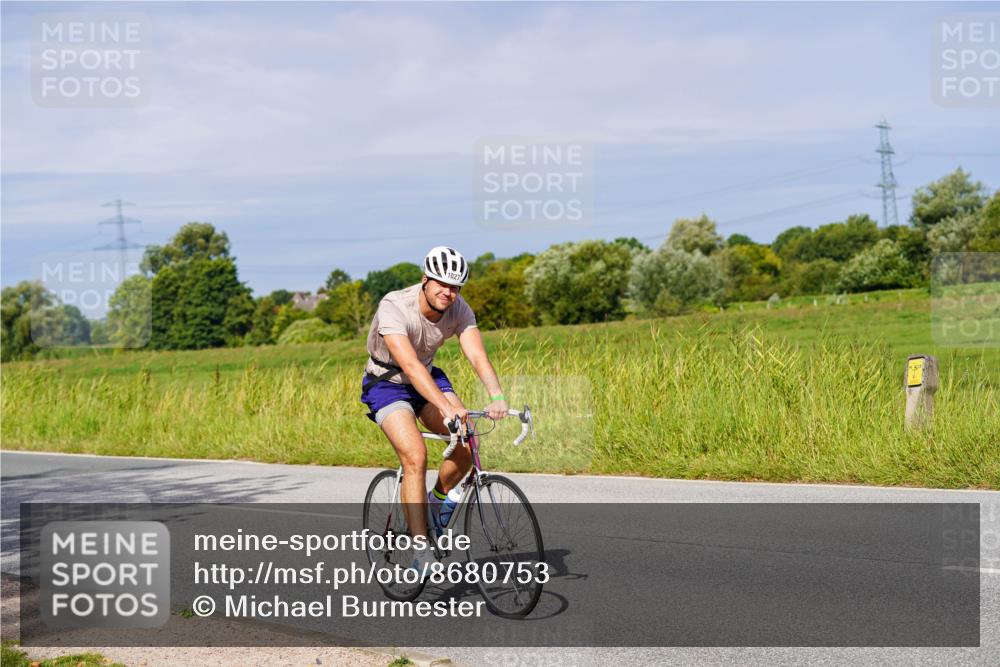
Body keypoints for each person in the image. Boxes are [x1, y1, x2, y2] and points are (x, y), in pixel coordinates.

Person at [360, 246, 508, 563]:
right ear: (425, 279)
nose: (448, 292)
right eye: (441, 283)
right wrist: (446, 406)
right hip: (388, 383)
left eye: (455, 287)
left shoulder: (458, 308)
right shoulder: (395, 306)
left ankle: (437, 499)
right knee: (416, 456)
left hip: (427, 376)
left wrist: (496, 395)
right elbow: (409, 366)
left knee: (468, 438)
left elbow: (476, 354)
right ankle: (420, 549)